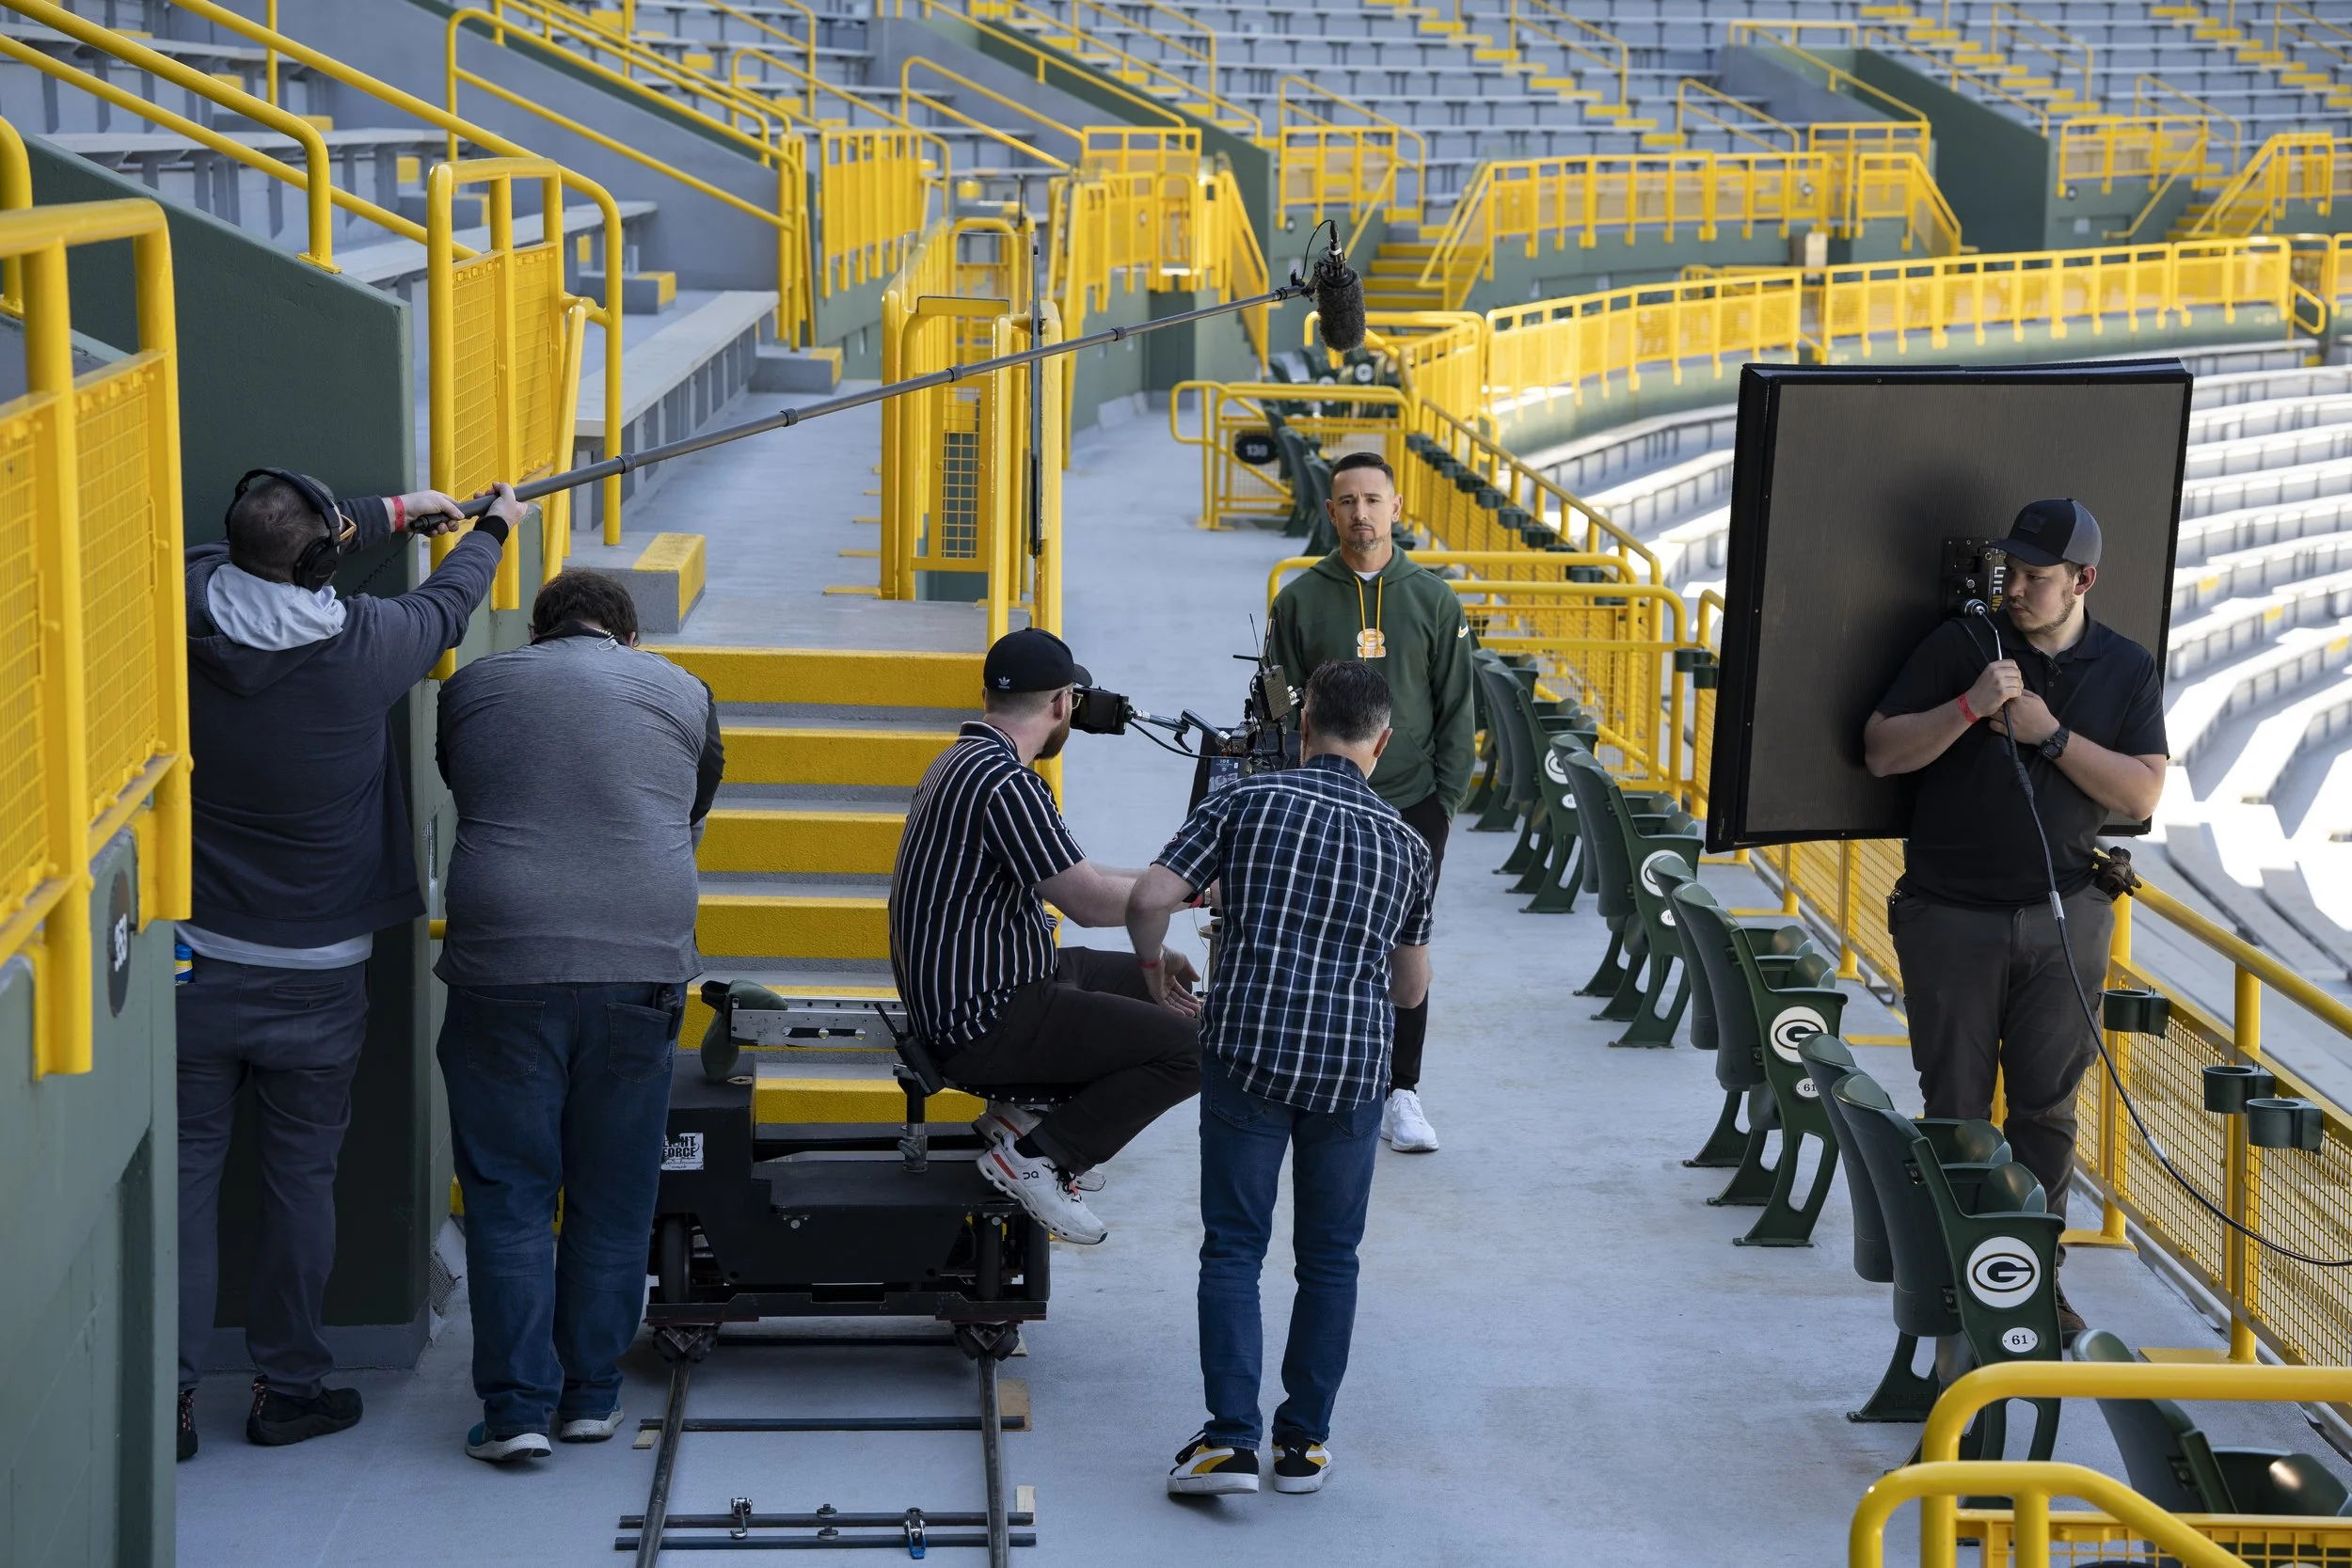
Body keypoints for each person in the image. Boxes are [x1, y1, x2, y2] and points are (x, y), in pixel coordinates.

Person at [178, 469, 522, 1462]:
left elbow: (247, 550)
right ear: (327, 556)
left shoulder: (185, 600)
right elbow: (450, 600)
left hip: (194, 963)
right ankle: (288, 1388)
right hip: (319, 976)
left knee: (186, 1185)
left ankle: (170, 1399)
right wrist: (492, 526)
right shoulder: (364, 644)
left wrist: (396, 514)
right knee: (300, 1182)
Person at [433, 570, 724, 1464]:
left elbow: (468, 782)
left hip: (503, 964)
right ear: (631, 640)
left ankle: (516, 1410)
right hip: (640, 963)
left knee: (509, 1193)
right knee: (613, 1192)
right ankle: (591, 1396)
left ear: (537, 632)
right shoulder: (684, 690)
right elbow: (694, 803)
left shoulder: (472, 685)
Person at [1863, 499, 2167, 1340]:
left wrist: (2049, 734)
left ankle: (2035, 1278)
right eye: (2012, 572)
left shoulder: (2126, 666)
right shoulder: (1964, 644)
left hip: (2064, 917)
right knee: (1955, 1109)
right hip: (1950, 918)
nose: (2017, 589)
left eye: (2037, 577)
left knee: (2047, 1112)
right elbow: (1882, 751)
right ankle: (1951, 1280)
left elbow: (2143, 792)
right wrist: (1968, 707)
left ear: (2083, 581)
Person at [1127, 659, 1432, 1499]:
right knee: (1330, 1258)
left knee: (1234, 1245)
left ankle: (1230, 1441)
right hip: (1351, 1070)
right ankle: (1303, 1447)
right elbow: (1410, 989)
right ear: (1381, 743)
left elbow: (1150, 897)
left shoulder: (1246, 802)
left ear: (1303, 728)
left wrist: (1152, 970)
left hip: (1249, 1052)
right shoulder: (1407, 845)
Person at [888, 626, 1202, 1247]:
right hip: (985, 1021)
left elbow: (1079, 874)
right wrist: (1191, 895)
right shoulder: (1008, 784)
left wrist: (1182, 888)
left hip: (986, 990)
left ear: (987, 696)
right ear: (1062, 704)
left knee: (1169, 990)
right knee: (1192, 1047)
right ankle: (1041, 1157)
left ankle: (1019, 1119)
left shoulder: (963, 762)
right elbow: (1087, 902)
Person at [1265, 451, 1471, 1154]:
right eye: (1348, 501)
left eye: (1373, 500)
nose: (1362, 513)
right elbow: (1278, 704)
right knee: (1315, 934)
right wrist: (1288, 784)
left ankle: (1400, 1090)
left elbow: (1457, 711)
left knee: (1406, 945)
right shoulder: (1298, 599)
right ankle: (1318, 1075)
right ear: (1330, 512)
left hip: (1412, 803)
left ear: (1396, 507)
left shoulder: (1435, 600)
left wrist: (1444, 804)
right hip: (1321, 800)